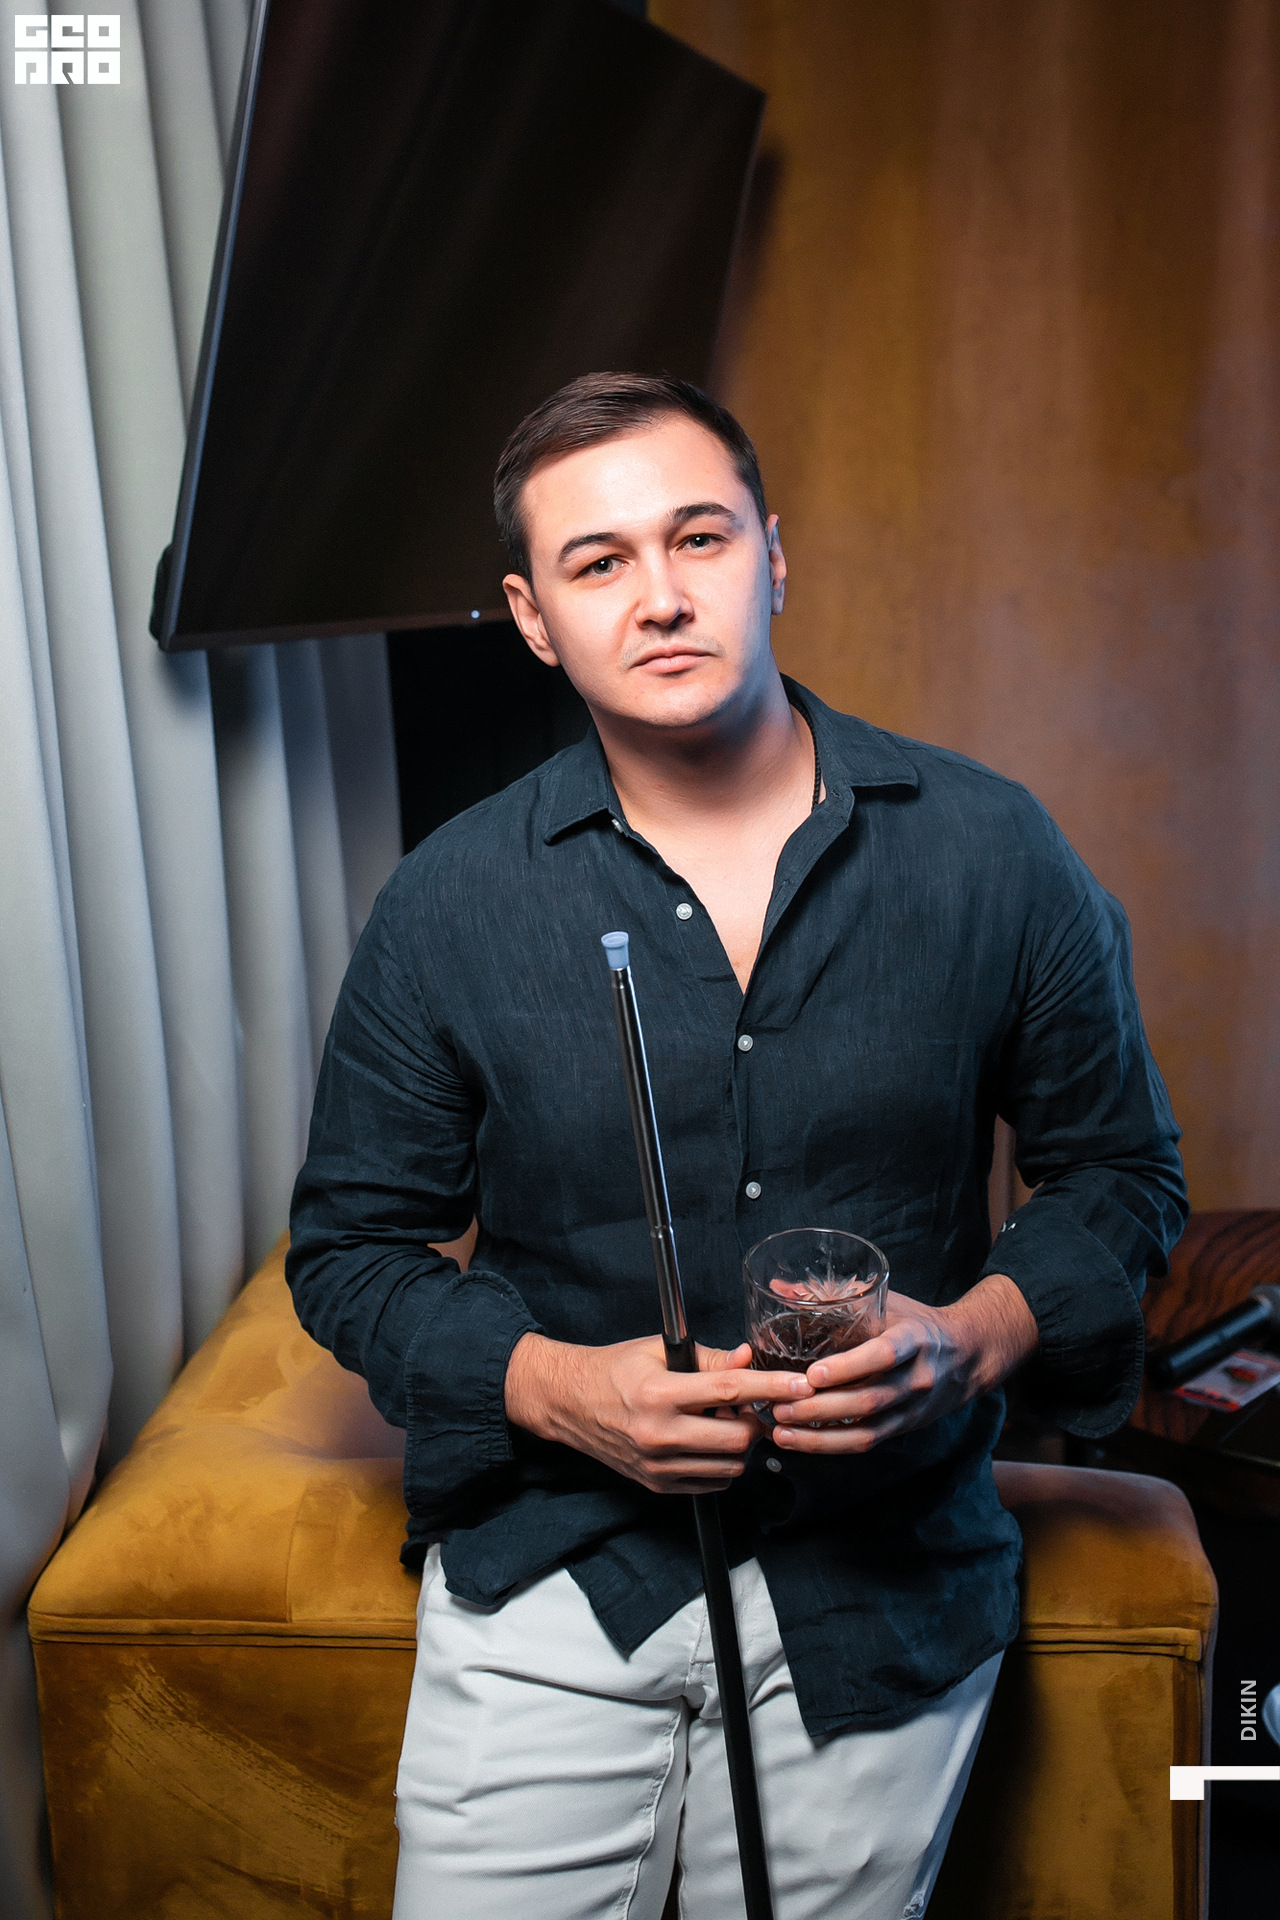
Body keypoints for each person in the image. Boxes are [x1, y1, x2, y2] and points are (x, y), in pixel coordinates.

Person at [287, 373, 1187, 1919]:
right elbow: (352, 1254)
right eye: (598, 562)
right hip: (559, 1563)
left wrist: (969, 1339)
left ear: (772, 553)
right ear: (533, 617)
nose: (659, 595)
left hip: (883, 1577)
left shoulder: (996, 851)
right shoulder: (448, 902)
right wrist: (561, 1389)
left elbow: (1122, 1178)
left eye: (696, 537)